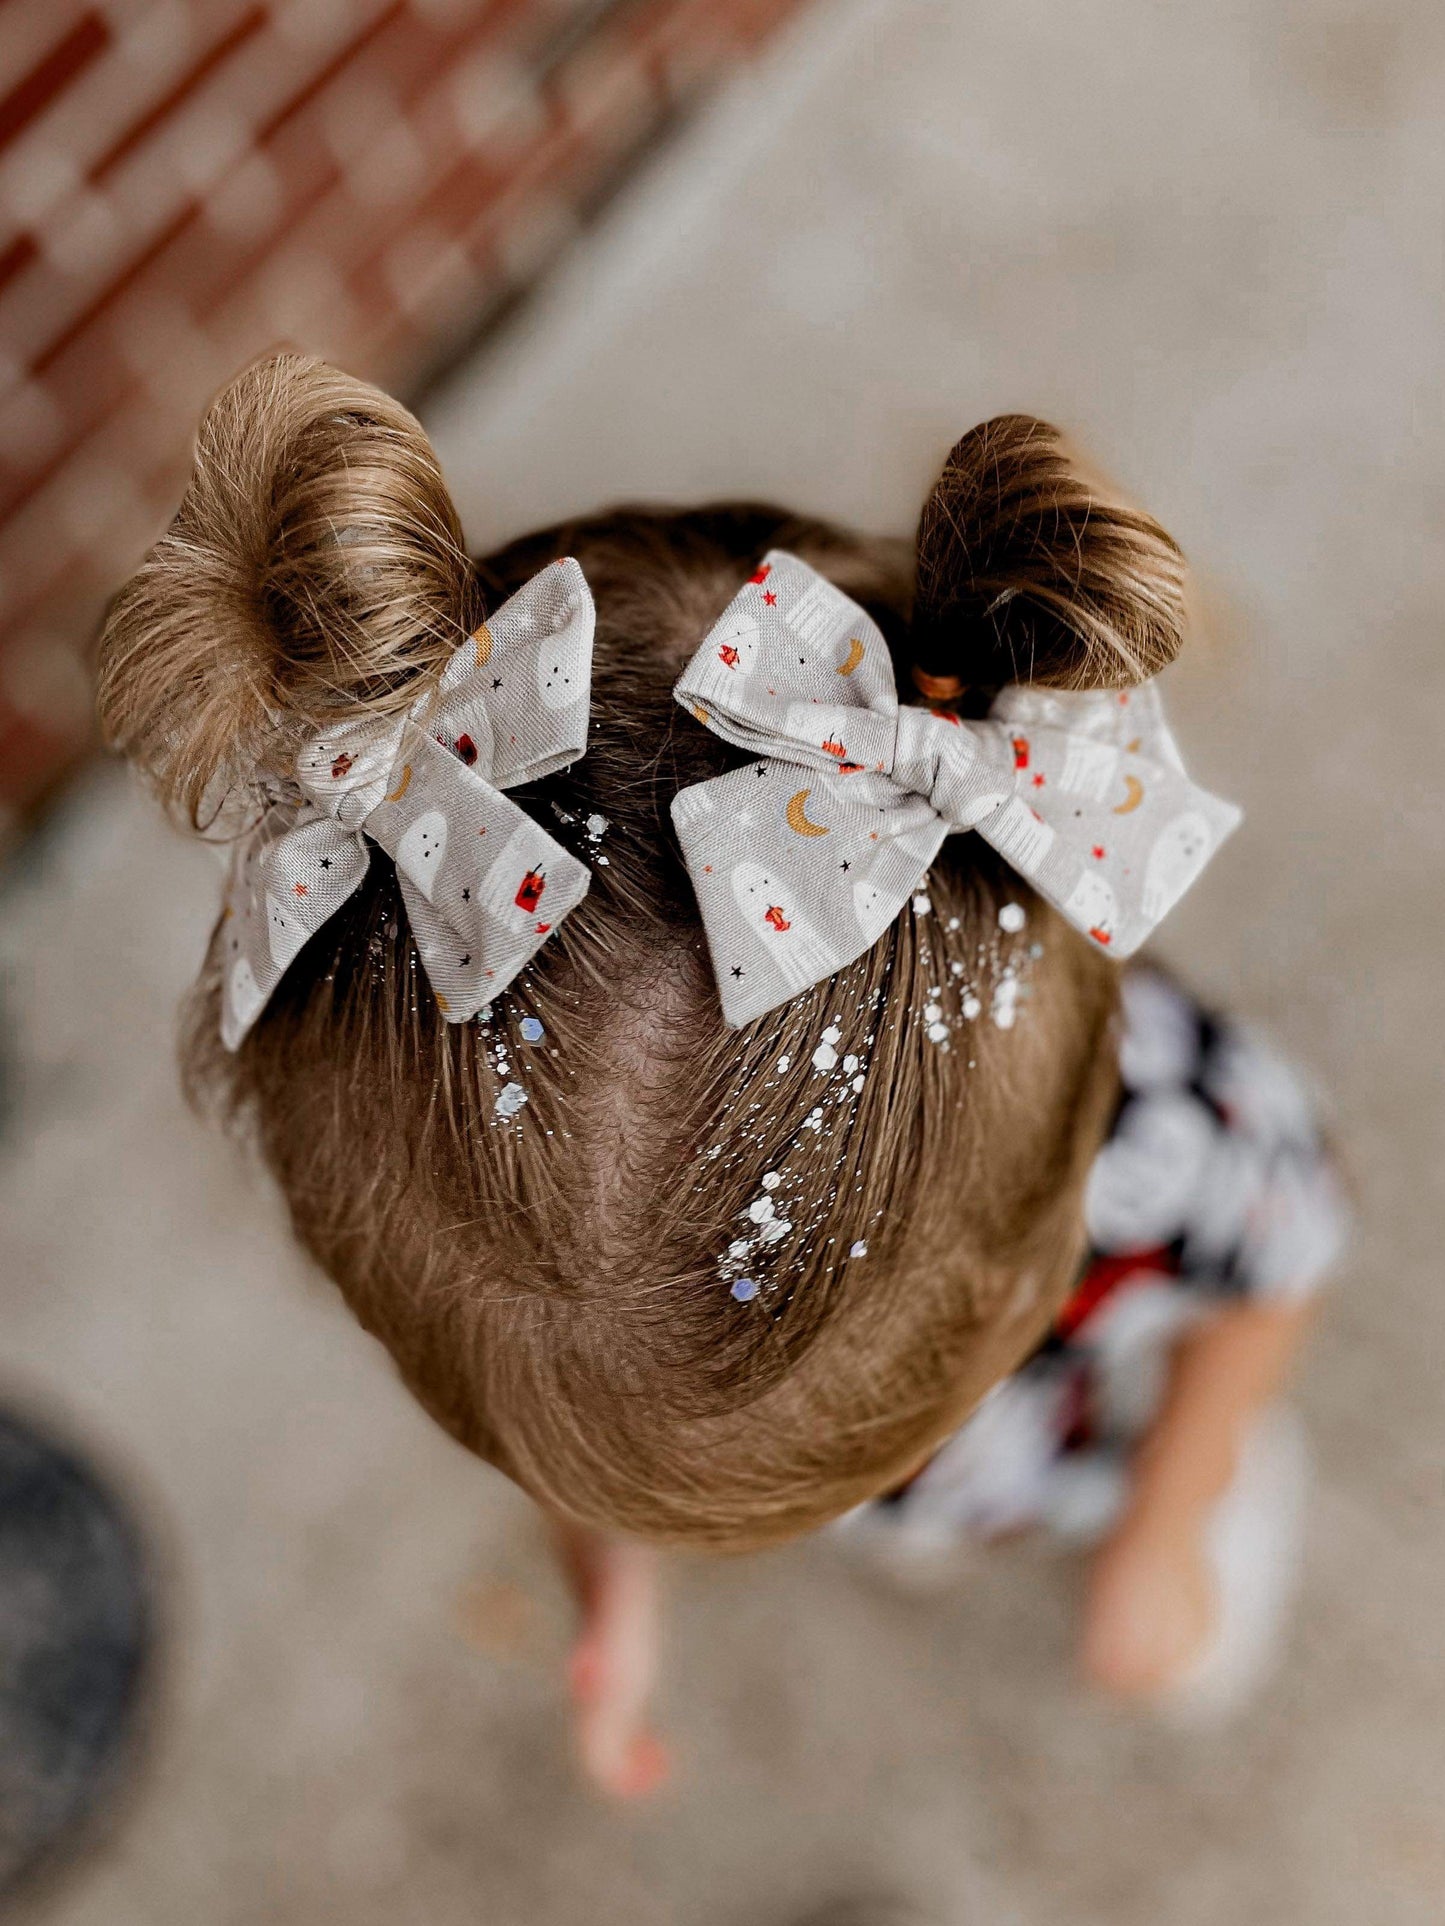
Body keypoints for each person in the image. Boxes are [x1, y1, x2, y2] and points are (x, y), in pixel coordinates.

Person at [96, 355, 1344, 1795]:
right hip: (960, 1470)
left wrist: (1169, 1517)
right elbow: (603, 1365)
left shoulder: (1168, 1146)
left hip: (1102, 1455)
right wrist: (616, 1549)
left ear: (1041, 1271)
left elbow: (1284, 1250)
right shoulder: (585, 1315)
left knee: (1179, 1609)